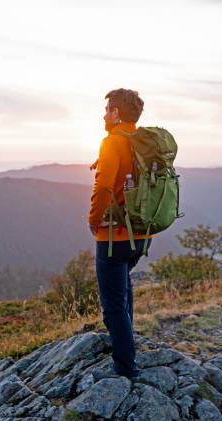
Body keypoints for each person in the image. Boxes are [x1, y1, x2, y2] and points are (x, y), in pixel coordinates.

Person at [88, 88, 154, 379]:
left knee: (113, 305)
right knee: (124, 290)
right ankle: (128, 352)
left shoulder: (113, 142)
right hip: (142, 234)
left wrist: (92, 219)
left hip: (114, 237)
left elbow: (103, 188)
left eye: (107, 110)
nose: (104, 115)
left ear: (116, 113)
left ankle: (126, 368)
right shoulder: (142, 142)